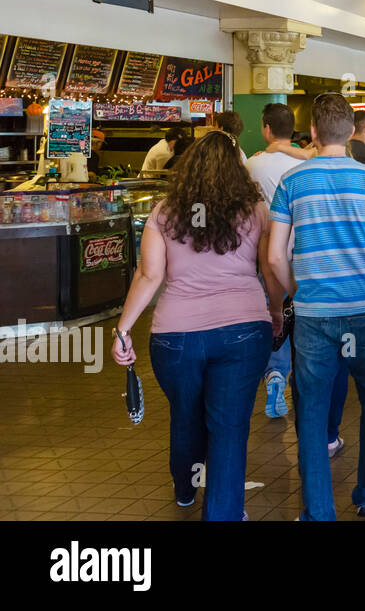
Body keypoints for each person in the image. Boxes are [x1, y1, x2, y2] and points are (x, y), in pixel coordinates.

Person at [111, 131, 275, 521]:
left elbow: (149, 276)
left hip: (175, 336)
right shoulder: (256, 209)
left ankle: (186, 489)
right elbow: (269, 267)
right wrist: (278, 311)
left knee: (186, 414)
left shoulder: (165, 211)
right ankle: (223, 513)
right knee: (229, 426)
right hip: (244, 329)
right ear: (237, 169)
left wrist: (123, 329)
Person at [268, 93, 365, 520]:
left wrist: (297, 291)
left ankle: (318, 512)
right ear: (352, 133)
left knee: (310, 410)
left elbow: (274, 256)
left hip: (313, 317)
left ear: (312, 132)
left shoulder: (292, 181)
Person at [244, 103, 304, 420]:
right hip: (305, 255)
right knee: (304, 314)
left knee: (275, 313)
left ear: (266, 128)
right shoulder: (307, 163)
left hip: (267, 253)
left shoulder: (253, 166)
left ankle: (276, 374)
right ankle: (304, 381)